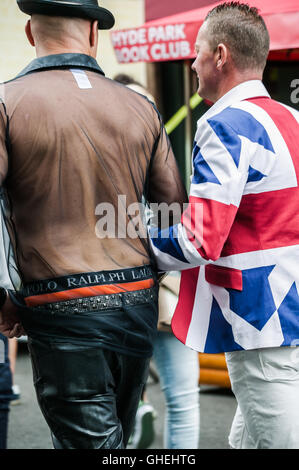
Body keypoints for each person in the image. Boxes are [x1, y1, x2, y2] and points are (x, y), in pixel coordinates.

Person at [0, 0, 187, 449]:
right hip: (135, 304)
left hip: (61, 307)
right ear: (92, 34)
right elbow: (173, 214)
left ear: (30, 32)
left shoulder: (6, 101)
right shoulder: (140, 106)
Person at [150, 2, 299, 449]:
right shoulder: (292, 119)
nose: (191, 64)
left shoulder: (223, 123)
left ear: (220, 55)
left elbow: (198, 238)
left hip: (257, 318)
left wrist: (133, 243)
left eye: (196, 52)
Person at [115, 74, 200, 449]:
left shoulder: (166, 159)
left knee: (179, 398)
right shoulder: (153, 161)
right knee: (121, 402)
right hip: (133, 296)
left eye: (150, 106)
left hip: (156, 295)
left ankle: (142, 410)